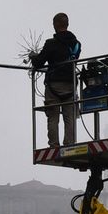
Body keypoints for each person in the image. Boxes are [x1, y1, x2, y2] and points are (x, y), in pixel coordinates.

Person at [31, 12, 81, 147]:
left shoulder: (50, 44)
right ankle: (69, 143)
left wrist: (33, 56)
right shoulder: (76, 45)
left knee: (53, 116)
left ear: (55, 25)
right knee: (69, 116)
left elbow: (39, 62)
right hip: (71, 85)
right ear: (67, 24)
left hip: (54, 85)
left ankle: (54, 144)